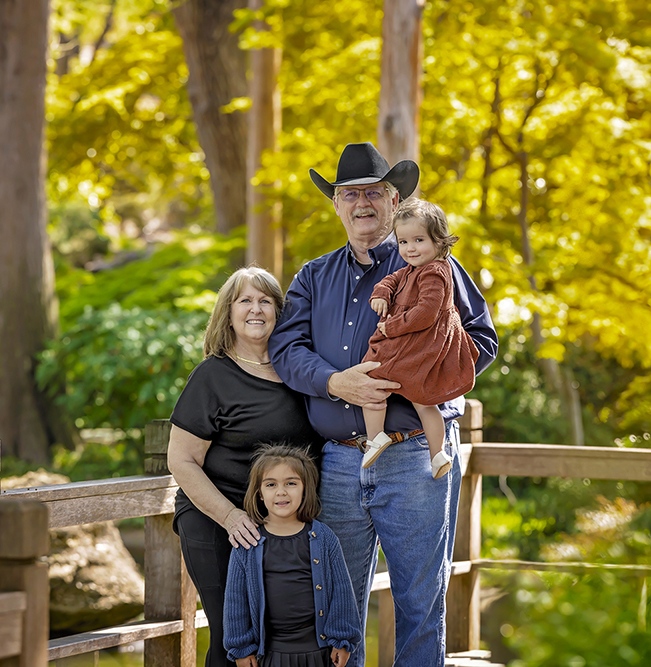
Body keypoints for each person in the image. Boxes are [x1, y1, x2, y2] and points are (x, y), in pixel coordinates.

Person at [269, 142, 498, 667]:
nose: (362, 203)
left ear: (395, 201)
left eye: (374, 192)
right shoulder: (312, 276)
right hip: (340, 460)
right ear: (337, 205)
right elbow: (285, 349)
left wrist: (420, 376)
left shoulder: (432, 263)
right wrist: (335, 383)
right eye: (350, 194)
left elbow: (483, 341)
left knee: (420, 603)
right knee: (337, 606)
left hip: (416, 456)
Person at [168, 266, 322, 667]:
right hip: (217, 518)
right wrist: (230, 515)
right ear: (229, 312)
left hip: (281, 519)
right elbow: (181, 460)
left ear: (278, 311)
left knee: (283, 633)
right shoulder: (213, 375)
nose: (256, 309)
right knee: (235, 636)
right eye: (245, 301)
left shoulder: (298, 370)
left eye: (266, 300)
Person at [360, 198, 480, 479]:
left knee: (374, 381)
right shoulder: (414, 269)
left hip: (417, 343)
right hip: (414, 344)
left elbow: (426, 313)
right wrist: (380, 292)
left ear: (439, 241)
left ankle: (382, 438)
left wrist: (393, 327)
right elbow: (392, 280)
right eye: (403, 242)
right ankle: (433, 453)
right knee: (420, 400)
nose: (410, 248)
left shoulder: (436, 272)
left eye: (418, 240)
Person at [223, 444, 362, 667]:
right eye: (271, 484)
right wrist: (241, 649)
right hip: (271, 656)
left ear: (305, 488)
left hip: (319, 654)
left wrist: (342, 639)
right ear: (259, 493)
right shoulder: (247, 542)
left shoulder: (324, 537)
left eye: (291, 483)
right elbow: (235, 601)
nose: (281, 491)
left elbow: (342, 591)